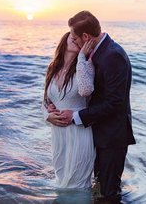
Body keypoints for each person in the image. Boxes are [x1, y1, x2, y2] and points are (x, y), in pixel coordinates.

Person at [61, 11, 136, 202]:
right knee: (100, 188)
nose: (75, 43)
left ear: (86, 37)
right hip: (102, 134)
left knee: (108, 193)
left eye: (75, 38)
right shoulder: (100, 52)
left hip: (112, 138)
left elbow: (114, 103)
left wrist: (76, 117)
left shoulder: (112, 55)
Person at [41, 32, 96, 190]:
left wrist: (81, 58)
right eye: (71, 34)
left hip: (79, 132)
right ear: (63, 40)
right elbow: (45, 101)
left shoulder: (86, 65)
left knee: (78, 184)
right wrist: (47, 116)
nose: (74, 37)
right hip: (58, 134)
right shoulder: (52, 68)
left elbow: (86, 90)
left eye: (78, 37)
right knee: (61, 180)